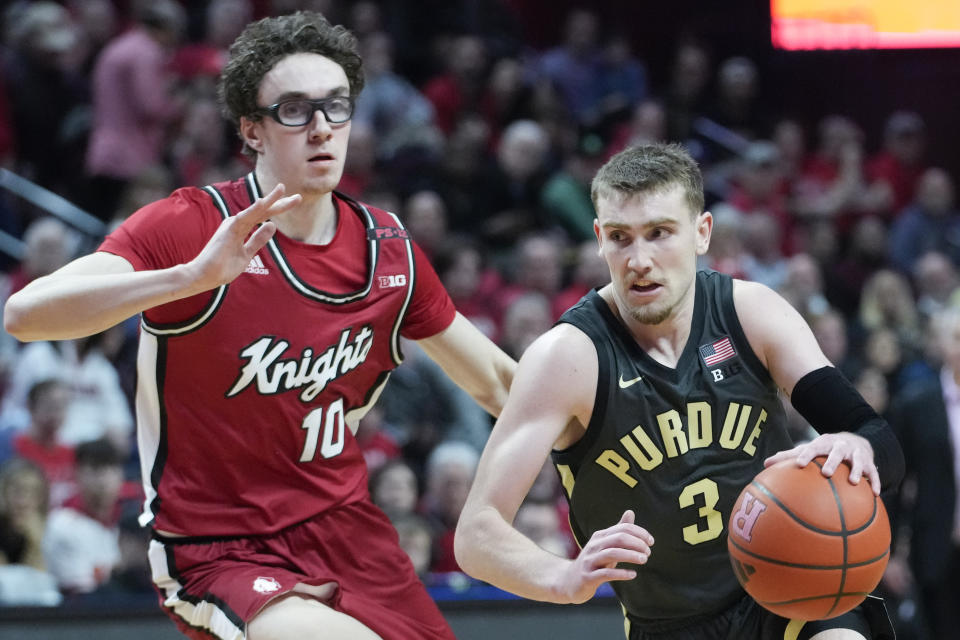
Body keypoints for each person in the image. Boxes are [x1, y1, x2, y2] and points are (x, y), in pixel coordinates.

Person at [4, 11, 515, 640]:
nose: (323, 127)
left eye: (337, 107)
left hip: (348, 532)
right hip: (220, 545)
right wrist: (190, 277)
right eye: (296, 111)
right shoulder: (191, 223)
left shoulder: (390, 249)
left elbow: (497, 381)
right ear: (252, 129)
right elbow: (25, 315)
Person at [455, 143, 904, 640]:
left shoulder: (751, 314)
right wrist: (563, 576)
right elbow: (477, 533)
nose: (639, 260)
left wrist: (859, 445)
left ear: (701, 233)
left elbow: (878, 437)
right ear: (599, 240)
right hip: (669, 625)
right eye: (621, 238)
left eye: (659, 233)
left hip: (788, 593)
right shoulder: (568, 357)